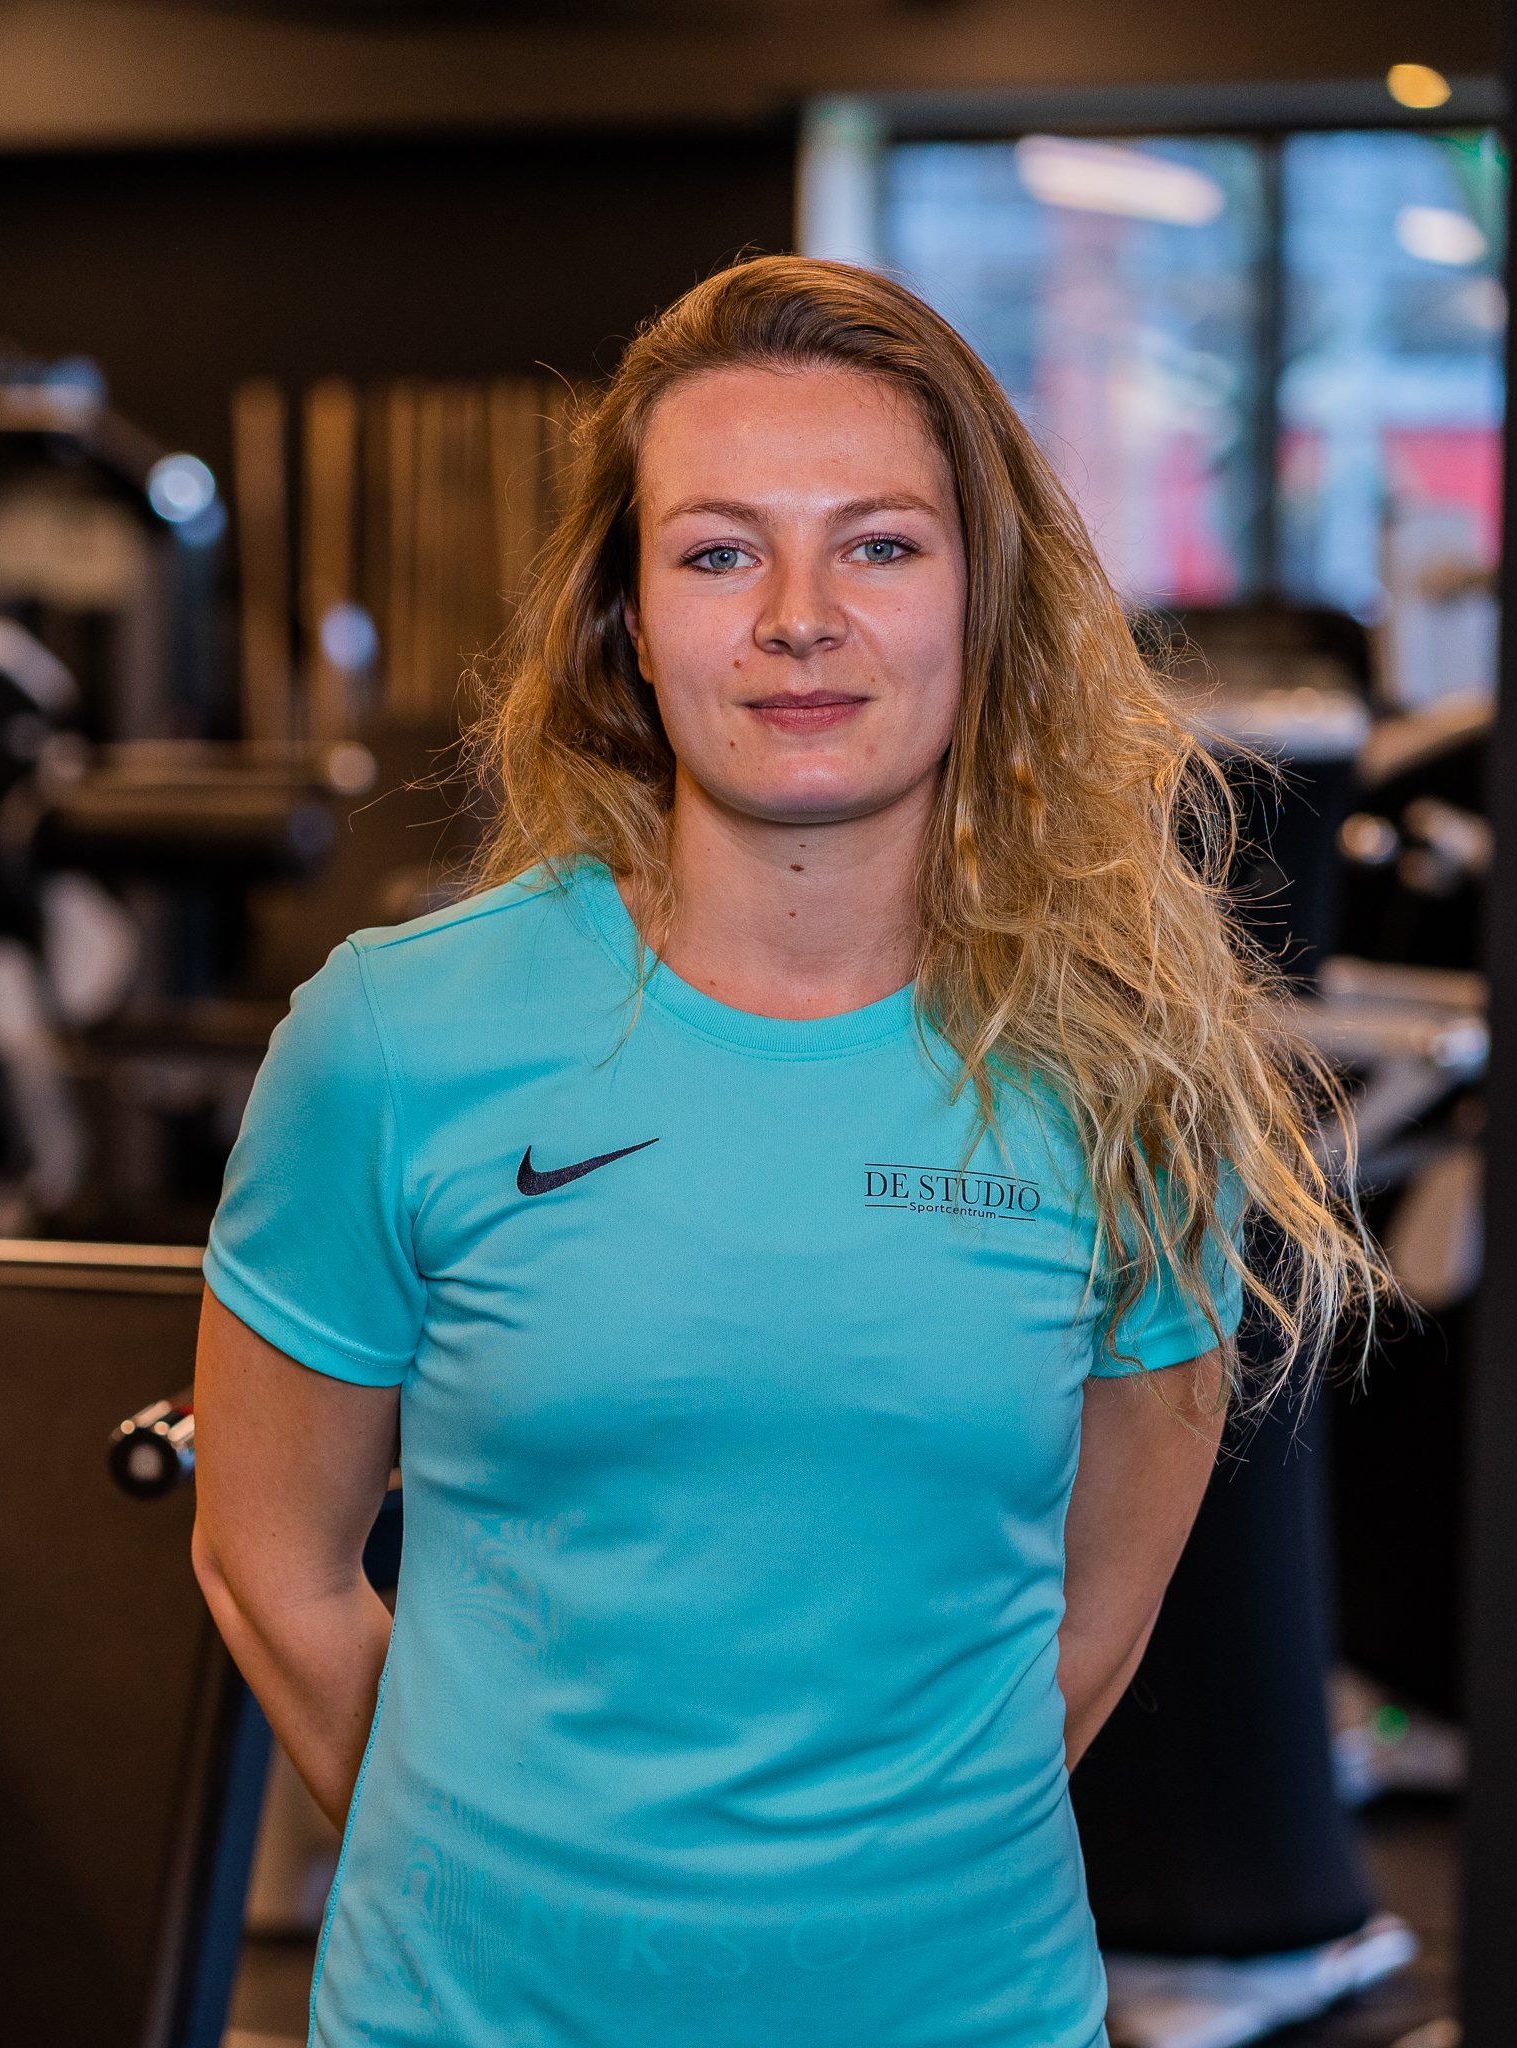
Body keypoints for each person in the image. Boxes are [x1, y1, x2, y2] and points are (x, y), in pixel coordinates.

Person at [190, 256, 1393, 2048]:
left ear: (985, 606)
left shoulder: (1126, 1079)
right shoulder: (397, 1039)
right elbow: (268, 1564)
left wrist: (848, 1902)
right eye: (721, 549)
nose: (801, 617)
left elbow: (1092, 1619)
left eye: (883, 544)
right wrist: (514, 1871)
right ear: (626, 618)